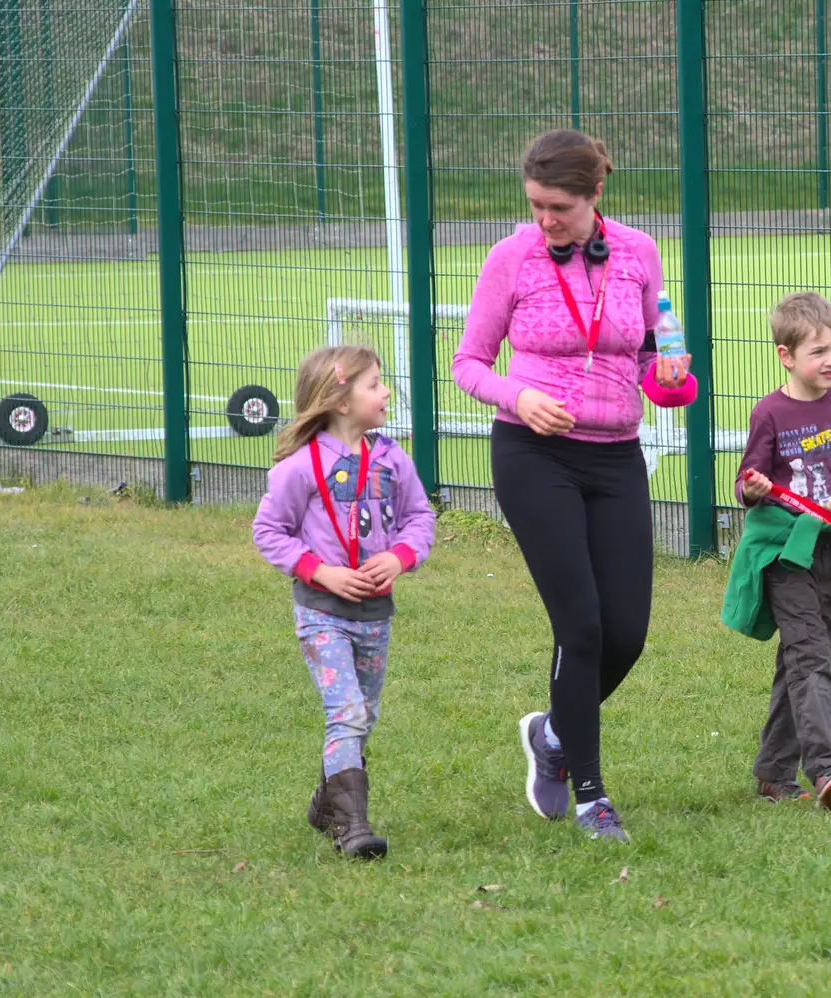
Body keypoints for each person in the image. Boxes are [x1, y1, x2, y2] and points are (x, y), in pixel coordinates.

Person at [452, 129, 695, 843]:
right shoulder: (511, 259)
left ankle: (553, 734)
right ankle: (590, 796)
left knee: (627, 633)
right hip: (534, 455)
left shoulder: (639, 253)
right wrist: (516, 397)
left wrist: (668, 379)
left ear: (596, 196)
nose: (545, 221)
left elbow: (652, 357)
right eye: (535, 205)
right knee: (581, 625)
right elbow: (469, 362)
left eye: (558, 207)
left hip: (617, 457)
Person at [252, 345, 436, 859]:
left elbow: (420, 517)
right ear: (339, 399)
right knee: (347, 712)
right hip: (321, 611)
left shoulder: (391, 458)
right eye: (375, 384)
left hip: (376, 614)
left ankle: (326, 800)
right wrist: (321, 571)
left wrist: (401, 556)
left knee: (363, 717)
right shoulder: (299, 467)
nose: (386, 393)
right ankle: (352, 830)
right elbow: (269, 531)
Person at [720, 292, 831, 811]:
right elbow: (749, 481)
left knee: (803, 656)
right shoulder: (769, 412)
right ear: (785, 355)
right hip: (782, 554)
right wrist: (749, 488)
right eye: (818, 351)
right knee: (810, 655)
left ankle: (773, 771)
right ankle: (825, 768)